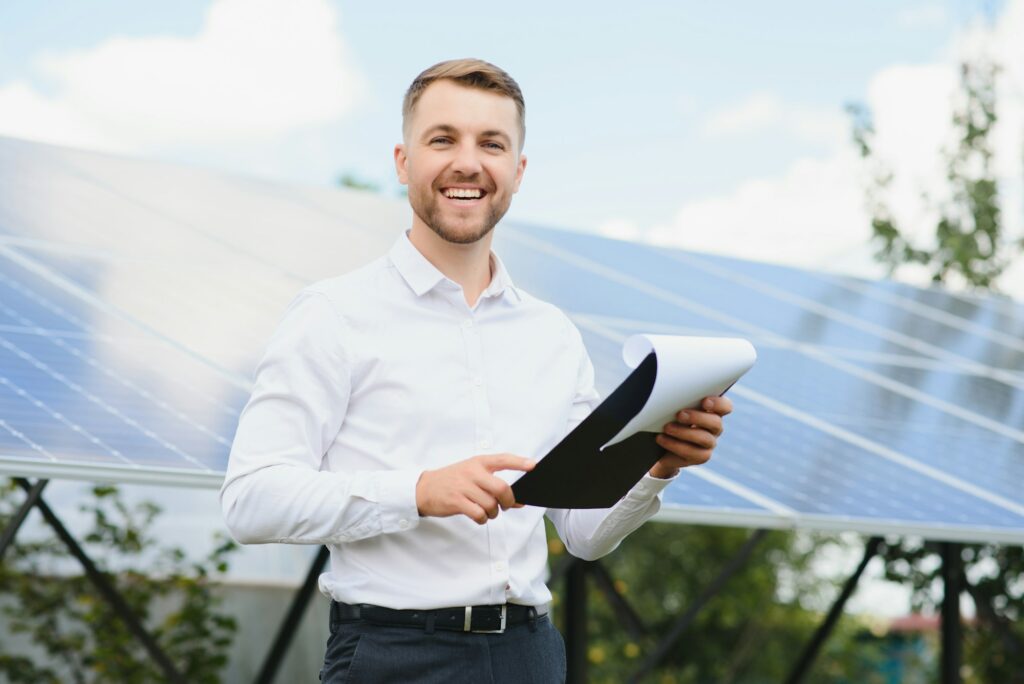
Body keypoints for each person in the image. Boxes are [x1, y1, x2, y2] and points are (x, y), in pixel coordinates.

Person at [220, 58, 733, 683]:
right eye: (443, 139)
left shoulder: (551, 335)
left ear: (516, 172)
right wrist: (416, 491)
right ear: (404, 161)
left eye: (492, 144)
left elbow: (583, 533)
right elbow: (250, 501)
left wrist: (657, 464)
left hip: (531, 656)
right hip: (393, 657)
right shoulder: (332, 315)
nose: (468, 162)